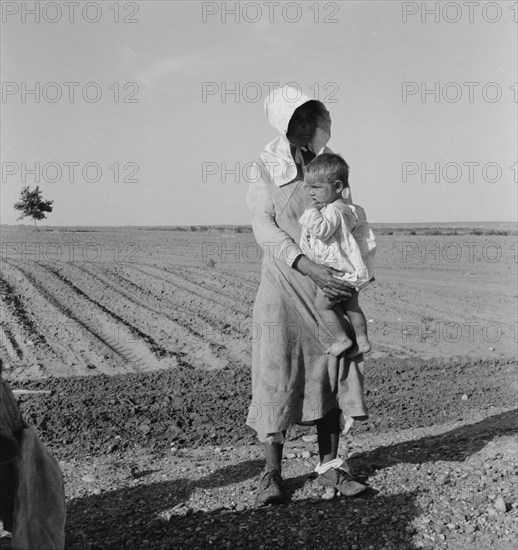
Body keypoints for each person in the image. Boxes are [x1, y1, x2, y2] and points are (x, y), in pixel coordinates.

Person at [246, 85, 369, 505]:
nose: (304, 125)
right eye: (295, 118)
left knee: (330, 370)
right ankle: (271, 475)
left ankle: (331, 469)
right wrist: (306, 265)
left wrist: (350, 271)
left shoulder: (327, 164)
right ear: (283, 123)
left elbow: (348, 219)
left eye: (309, 117)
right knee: (275, 371)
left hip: (326, 287)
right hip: (283, 283)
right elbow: (264, 227)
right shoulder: (265, 166)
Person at [299, 153, 376, 358]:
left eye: (316, 187)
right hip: (352, 271)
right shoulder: (352, 209)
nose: (311, 193)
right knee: (352, 306)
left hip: (338, 272)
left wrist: (310, 212)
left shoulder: (333, 210)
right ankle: (362, 340)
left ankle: (343, 339)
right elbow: (362, 239)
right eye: (309, 187)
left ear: (338, 186)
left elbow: (322, 230)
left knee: (322, 306)